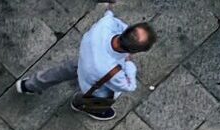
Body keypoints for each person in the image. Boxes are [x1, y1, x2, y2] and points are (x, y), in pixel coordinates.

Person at [16, 7, 153, 118]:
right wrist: (129, 63)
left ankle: (29, 85)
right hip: (93, 84)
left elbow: (110, 15)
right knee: (100, 97)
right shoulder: (114, 72)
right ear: (133, 51)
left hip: (81, 63)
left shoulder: (106, 24)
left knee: (59, 72)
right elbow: (129, 86)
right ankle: (82, 105)